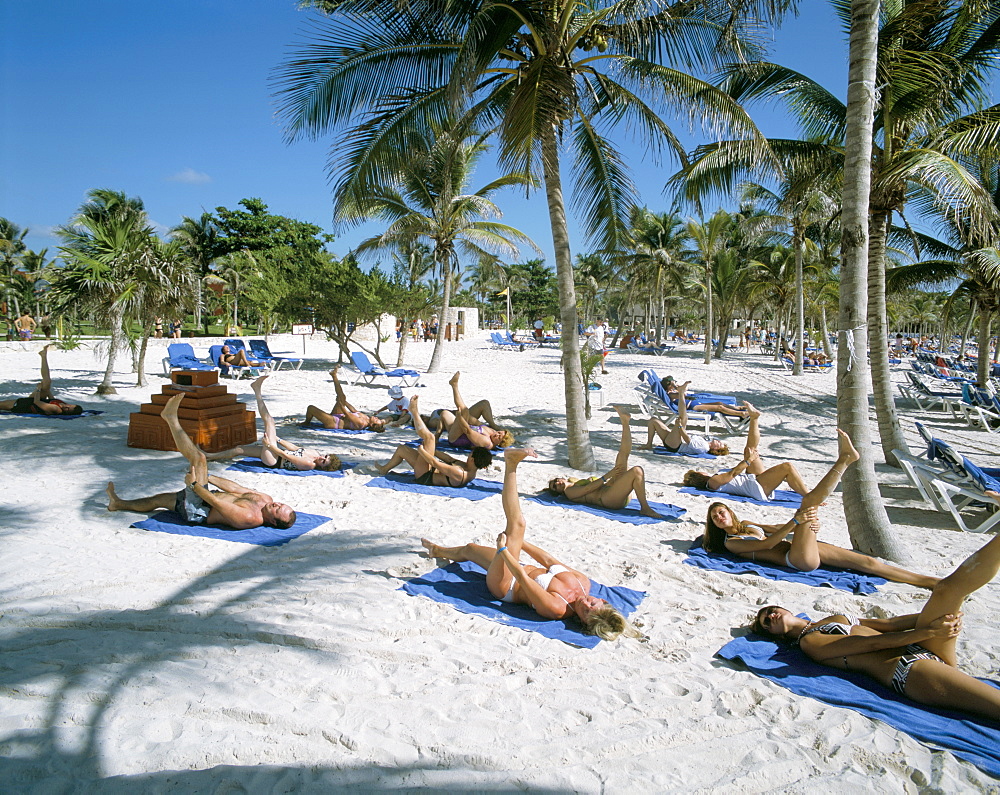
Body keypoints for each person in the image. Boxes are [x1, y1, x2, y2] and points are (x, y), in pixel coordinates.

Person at [751, 529, 1000, 722]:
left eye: (772, 611)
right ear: (775, 635)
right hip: (909, 670)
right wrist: (929, 631)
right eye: (766, 622)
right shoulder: (809, 643)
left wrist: (941, 618)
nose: (771, 616)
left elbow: (887, 626)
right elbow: (871, 643)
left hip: (922, 645)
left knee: (947, 590)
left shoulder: (827, 620)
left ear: (784, 609)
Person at [420, 448, 643, 641]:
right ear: (601, 600)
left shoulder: (557, 608)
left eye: (585, 612)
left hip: (505, 585)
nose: (585, 604)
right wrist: (521, 544)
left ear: (582, 621)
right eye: (593, 604)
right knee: (470, 549)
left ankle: (511, 464)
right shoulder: (581, 582)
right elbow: (548, 560)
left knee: (517, 524)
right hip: (516, 564)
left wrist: (505, 550)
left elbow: (523, 579)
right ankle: (436, 551)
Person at [702, 429, 937, 588]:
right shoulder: (731, 542)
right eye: (715, 517)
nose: (719, 517)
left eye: (721, 512)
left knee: (870, 564)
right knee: (808, 503)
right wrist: (797, 522)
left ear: (731, 513)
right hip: (795, 559)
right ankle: (845, 459)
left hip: (800, 547)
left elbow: (774, 528)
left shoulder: (747, 525)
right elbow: (767, 544)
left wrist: (807, 528)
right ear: (713, 525)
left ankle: (929, 582)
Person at [106, 392, 296, 530]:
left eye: (278, 510)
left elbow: (215, 502)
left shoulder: (248, 518)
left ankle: (171, 419)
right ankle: (118, 504)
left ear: (272, 521)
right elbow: (236, 489)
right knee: (158, 500)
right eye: (282, 504)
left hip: (199, 510)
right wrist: (210, 477)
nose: (277, 504)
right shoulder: (265, 500)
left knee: (199, 457)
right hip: (204, 493)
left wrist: (195, 484)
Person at [547, 406, 665, 519]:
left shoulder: (574, 482)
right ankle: (645, 507)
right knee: (636, 471)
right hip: (607, 500)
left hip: (612, 489)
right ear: (558, 492)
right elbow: (587, 490)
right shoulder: (569, 492)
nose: (557, 483)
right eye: (555, 487)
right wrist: (609, 475)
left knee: (622, 455)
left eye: (556, 481)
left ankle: (625, 422)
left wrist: (611, 477)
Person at [682, 404, 813, 500]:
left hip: (752, 479)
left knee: (750, 449)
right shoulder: (712, 482)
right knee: (787, 467)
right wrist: (748, 461)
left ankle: (754, 418)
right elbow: (733, 473)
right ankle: (808, 496)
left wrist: (748, 459)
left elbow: (734, 473)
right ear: (699, 476)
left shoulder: (714, 479)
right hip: (756, 487)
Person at [217, 375, 340, 471]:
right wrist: (278, 439)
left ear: (322, 467)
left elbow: (286, 456)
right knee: (239, 450)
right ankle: (209, 456)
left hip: (273, 460)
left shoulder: (309, 464)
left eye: (323, 461)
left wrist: (270, 445)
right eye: (325, 456)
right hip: (275, 451)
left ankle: (257, 390)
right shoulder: (315, 453)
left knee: (270, 421)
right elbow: (295, 448)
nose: (321, 458)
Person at [374, 395, 491, 487]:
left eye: (470, 455)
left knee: (429, 438)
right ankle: (384, 469)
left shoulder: (461, 473)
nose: (468, 457)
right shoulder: (469, 468)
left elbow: (436, 463)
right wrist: (432, 450)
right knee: (402, 449)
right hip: (428, 469)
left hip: (424, 476)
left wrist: (422, 451)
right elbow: (448, 459)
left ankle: (414, 412)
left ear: (473, 459)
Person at [426, 372, 513, 450]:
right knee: (445, 413)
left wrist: (461, 417)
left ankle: (454, 386)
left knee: (464, 410)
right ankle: (436, 436)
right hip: (460, 430)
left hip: (456, 439)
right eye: (499, 433)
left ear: (499, 444)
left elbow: (467, 430)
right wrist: (466, 417)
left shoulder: (487, 442)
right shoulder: (492, 432)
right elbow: (477, 423)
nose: (496, 434)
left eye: (499, 437)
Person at [640, 381, 730, 456]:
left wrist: (679, 427)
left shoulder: (704, 447)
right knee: (653, 421)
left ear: (715, 449)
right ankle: (649, 444)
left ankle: (681, 393)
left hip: (676, 445)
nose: (718, 441)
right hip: (674, 441)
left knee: (683, 417)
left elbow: (687, 440)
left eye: (719, 444)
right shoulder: (706, 443)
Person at [0, 344, 83, 416]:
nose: (66, 406)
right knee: (47, 382)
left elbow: (36, 402)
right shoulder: (63, 404)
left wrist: (38, 389)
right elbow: (52, 399)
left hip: (23, 406)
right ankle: (43, 355)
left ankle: (43, 356)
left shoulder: (56, 409)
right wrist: (46, 389)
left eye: (68, 409)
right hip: (32, 401)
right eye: (69, 405)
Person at [301, 366, 386, 431]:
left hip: (334, 422)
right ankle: (334, 376)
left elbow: (347, 413)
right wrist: (344, 401)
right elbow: (354, 411)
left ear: (371, 425)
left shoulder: (361, 423)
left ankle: (307, 422)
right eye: (377, 419)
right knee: (342, 396)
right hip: (339, 416)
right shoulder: (367, 418)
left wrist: (341, 403)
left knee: (311, 408)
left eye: (376, 420)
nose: (376, 418)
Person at [660, 375, 751, 418]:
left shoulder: (674, 391)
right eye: (673, 383)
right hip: (693, 406)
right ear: (668, 386)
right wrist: (676, 387)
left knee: (719, 403)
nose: (675, 384)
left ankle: (738, 408)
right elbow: (682, 394)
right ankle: (741, 414)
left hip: (694, 402)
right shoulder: (670, 394)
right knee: (719, 407)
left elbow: (684, 390)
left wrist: (676, 386)